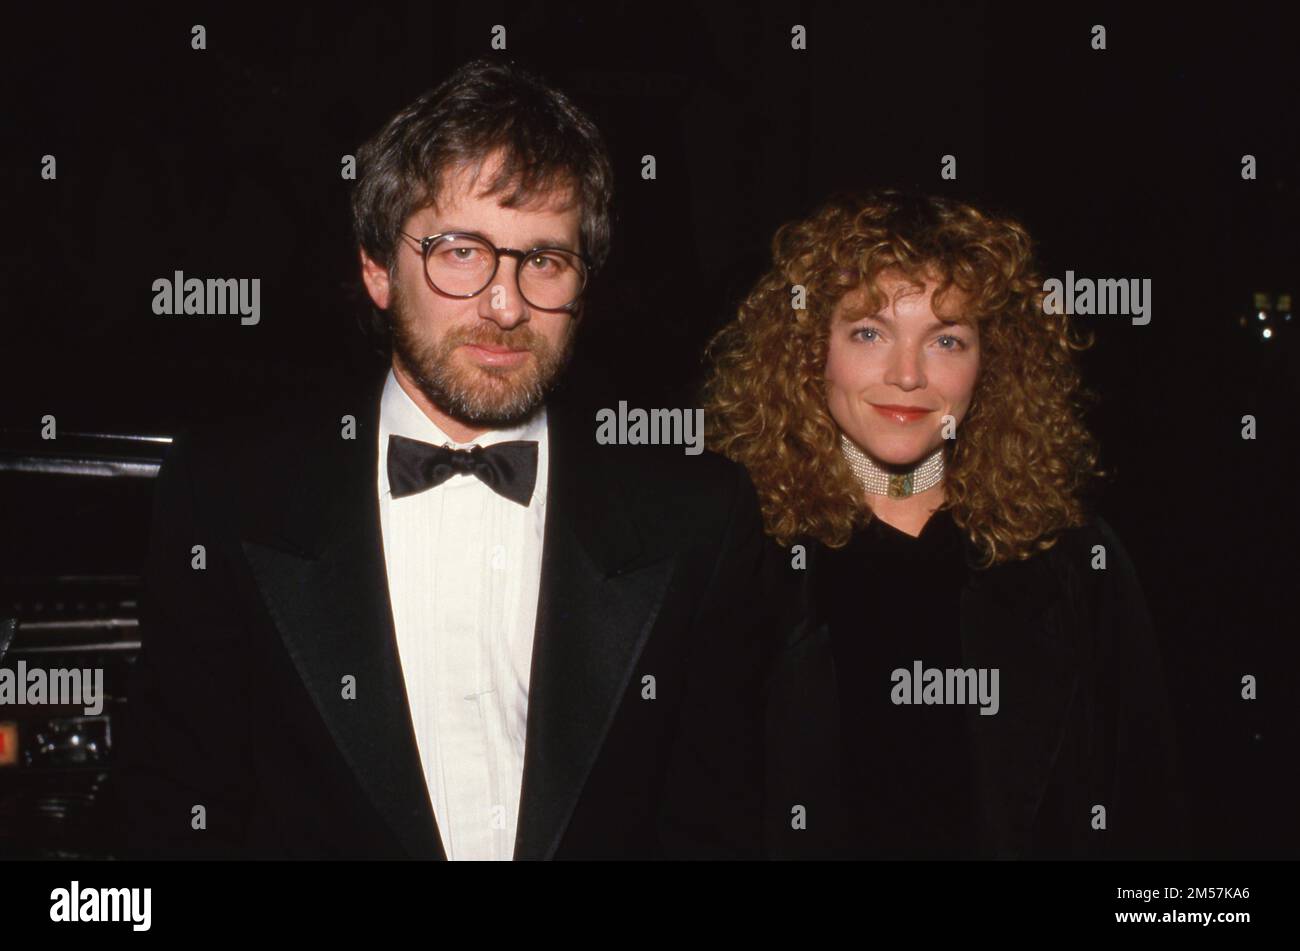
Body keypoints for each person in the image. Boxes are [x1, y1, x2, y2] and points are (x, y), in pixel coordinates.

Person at [113, 58, 775, 860]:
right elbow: (173, 815)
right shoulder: (229, 492)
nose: (505, 305)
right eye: (461, 252)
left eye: (544, 260)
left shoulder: (700, 517)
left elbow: (718, 830)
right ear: (377, 269)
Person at [704, 189, 1182, 859]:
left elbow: (1145, 810)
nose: (908, 374)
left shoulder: (1073, 559)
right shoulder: (739, 557)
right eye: (869, 332)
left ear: (992, 362)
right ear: (811, 348)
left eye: (947, 338)